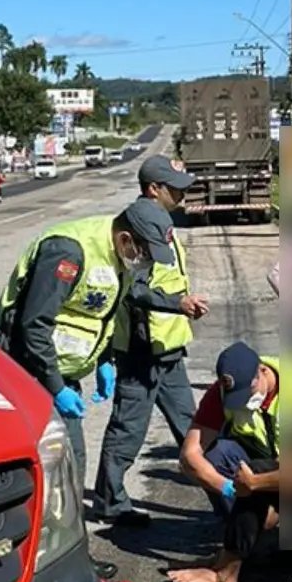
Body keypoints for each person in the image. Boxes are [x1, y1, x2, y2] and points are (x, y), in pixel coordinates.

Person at [0, 198, 180, 578]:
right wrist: (56, 386)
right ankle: (59, 563)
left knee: (64, 467)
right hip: (26, 373)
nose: (145, 263)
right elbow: (33, 325)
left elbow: (102, 312)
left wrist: (104, 359)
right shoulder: (68, 250)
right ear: (126, 239)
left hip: (59, 373)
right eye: (145, 253)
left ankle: (55, 557)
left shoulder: (120, 257)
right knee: (61, 466)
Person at [92, 155, 210, 527]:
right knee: (128, 430)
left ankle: (227, 501)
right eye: (175, 188)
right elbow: (134, 291)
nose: (182, 194)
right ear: (154, 189)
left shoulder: (163, 222)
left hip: (168, 349)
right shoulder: (139, 227)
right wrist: (178, 304)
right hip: (142, 351)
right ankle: (110, 503)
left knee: (194, 428)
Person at [170, 342, 279, 582]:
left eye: (248, 391)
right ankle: (241, 542)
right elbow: (189, 455)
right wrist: (230, 489)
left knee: (255, 471)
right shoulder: (221, 392)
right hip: (268, 471)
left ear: (262, 371)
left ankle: (226, 576)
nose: (244, 402)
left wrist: (255, 484)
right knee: (216, 454)